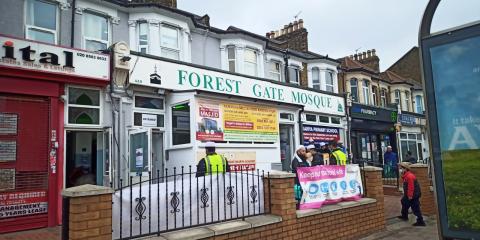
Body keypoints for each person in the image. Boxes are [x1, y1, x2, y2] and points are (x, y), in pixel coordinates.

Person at [398, 162, 426, 226]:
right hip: (409, 194)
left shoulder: (409, 176)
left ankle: (420, 221)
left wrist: (410, 196)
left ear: (405, 169)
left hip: (413, 195)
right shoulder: (406, 175)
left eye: (401, 168)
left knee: (415, 207)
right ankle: (404, 216)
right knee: (404, 202)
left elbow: (411, 187)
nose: (400, 169)